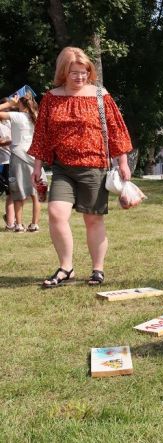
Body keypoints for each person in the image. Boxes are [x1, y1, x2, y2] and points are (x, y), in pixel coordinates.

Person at [28, 46, 133, 287]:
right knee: (56, 214)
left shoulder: (100, 95)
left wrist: (123, 162)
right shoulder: (51, 98)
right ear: (63, 72)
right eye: (75, 73)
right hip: (63, 168)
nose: (80, 77)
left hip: (94, 166)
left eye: (84, 72)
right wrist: (37, 166)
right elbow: (42, 135)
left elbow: (116, 129)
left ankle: (97, 270)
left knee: (93, 219)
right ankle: (66, 267)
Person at [0, 93, 43, 232]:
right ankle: (34, 224)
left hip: (18, 155)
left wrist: (9, 104)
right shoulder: (37, 116)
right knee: (35, 192)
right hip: (35, 156)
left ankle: (18, 225)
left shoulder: (16, 116)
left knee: (18, 192)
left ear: (20, 104)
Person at [0, 114, 15, 230]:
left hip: (13, 161)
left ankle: (11, 219)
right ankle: (10, 222)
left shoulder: (9, 124)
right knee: (11, 193)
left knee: (14, 192)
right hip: (4, 163)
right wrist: (13, 141)